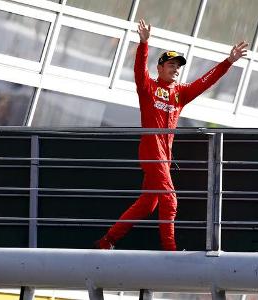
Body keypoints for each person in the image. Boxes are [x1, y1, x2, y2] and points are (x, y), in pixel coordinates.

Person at [95, 19, 248, 251]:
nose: (175, 69)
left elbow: (206, 81)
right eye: (171, 65)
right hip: (151, 152)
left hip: (164, 156)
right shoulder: (148, 89)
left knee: (148, 204)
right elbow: (138, 70)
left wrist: (229, 61)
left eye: (178, 66)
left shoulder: (181, 93)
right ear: (160, 68)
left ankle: (106, 241)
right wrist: (144, 43)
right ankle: (170, 251)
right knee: (170, 199)